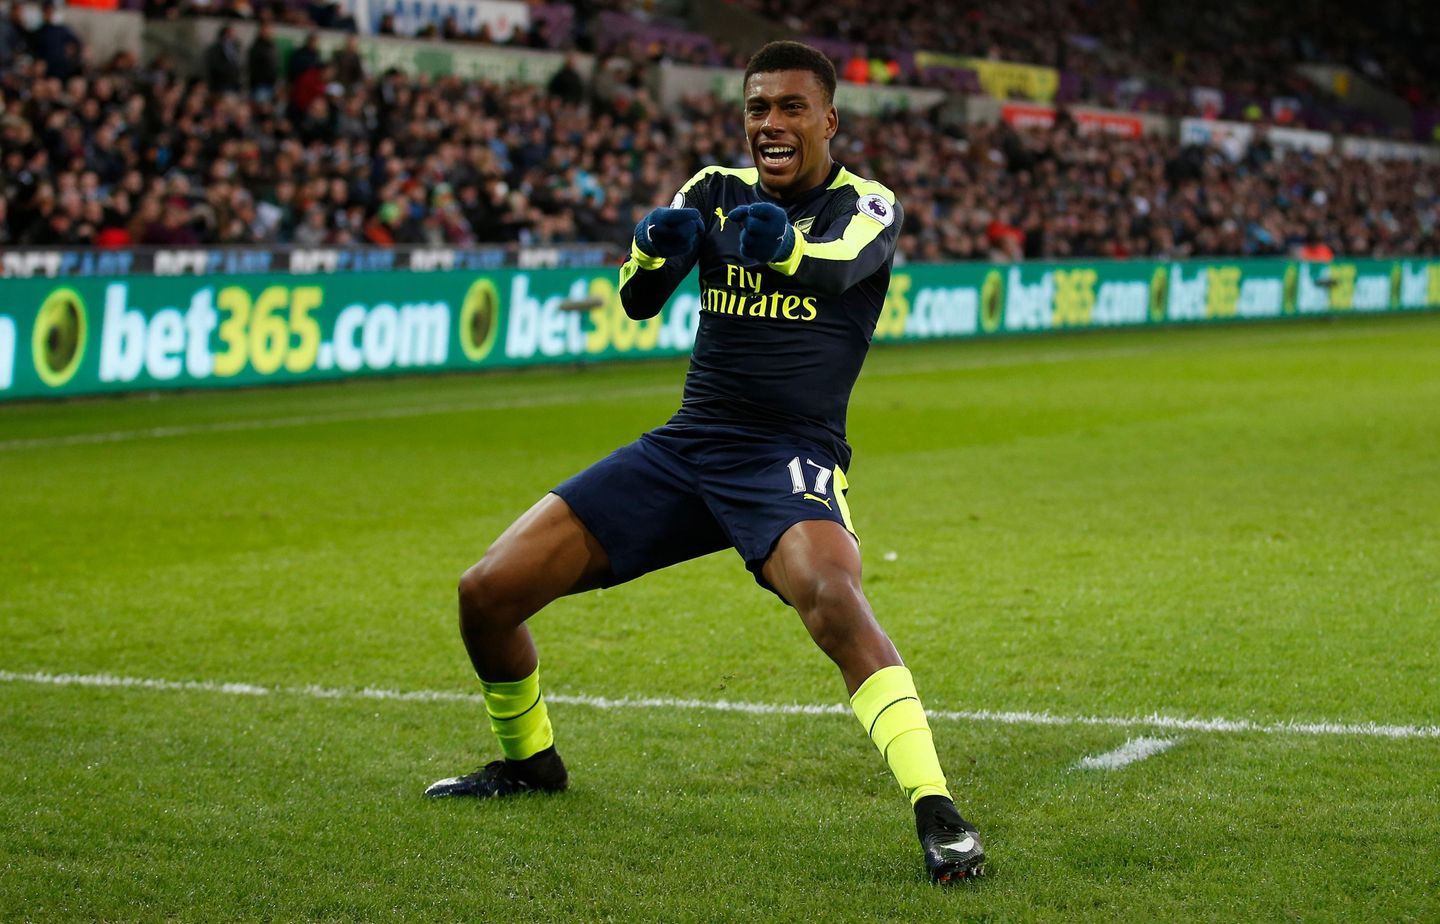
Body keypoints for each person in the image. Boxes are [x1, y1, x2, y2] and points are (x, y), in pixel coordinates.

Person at [425, 40, 986, 885]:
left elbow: (839, 270)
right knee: (486, 594)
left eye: (792, 107)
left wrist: (782, 251)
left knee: (833, 596)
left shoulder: (867, 204)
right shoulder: (713, 190)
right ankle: (530, 762)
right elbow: (637, 297)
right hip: (688, 448)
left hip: (788, 455)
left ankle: (939, 811)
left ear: (828, 120)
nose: (771, 123)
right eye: (758, 107)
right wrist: (654, 248)